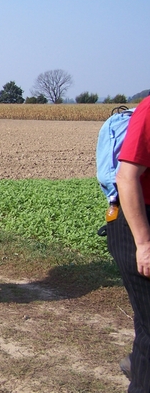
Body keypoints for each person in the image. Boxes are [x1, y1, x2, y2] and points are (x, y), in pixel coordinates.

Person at [108, 94, 150, 391]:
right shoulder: (149, 111)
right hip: (137, 224)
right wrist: (144, 243)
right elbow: (125, 178)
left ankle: (137, 362)